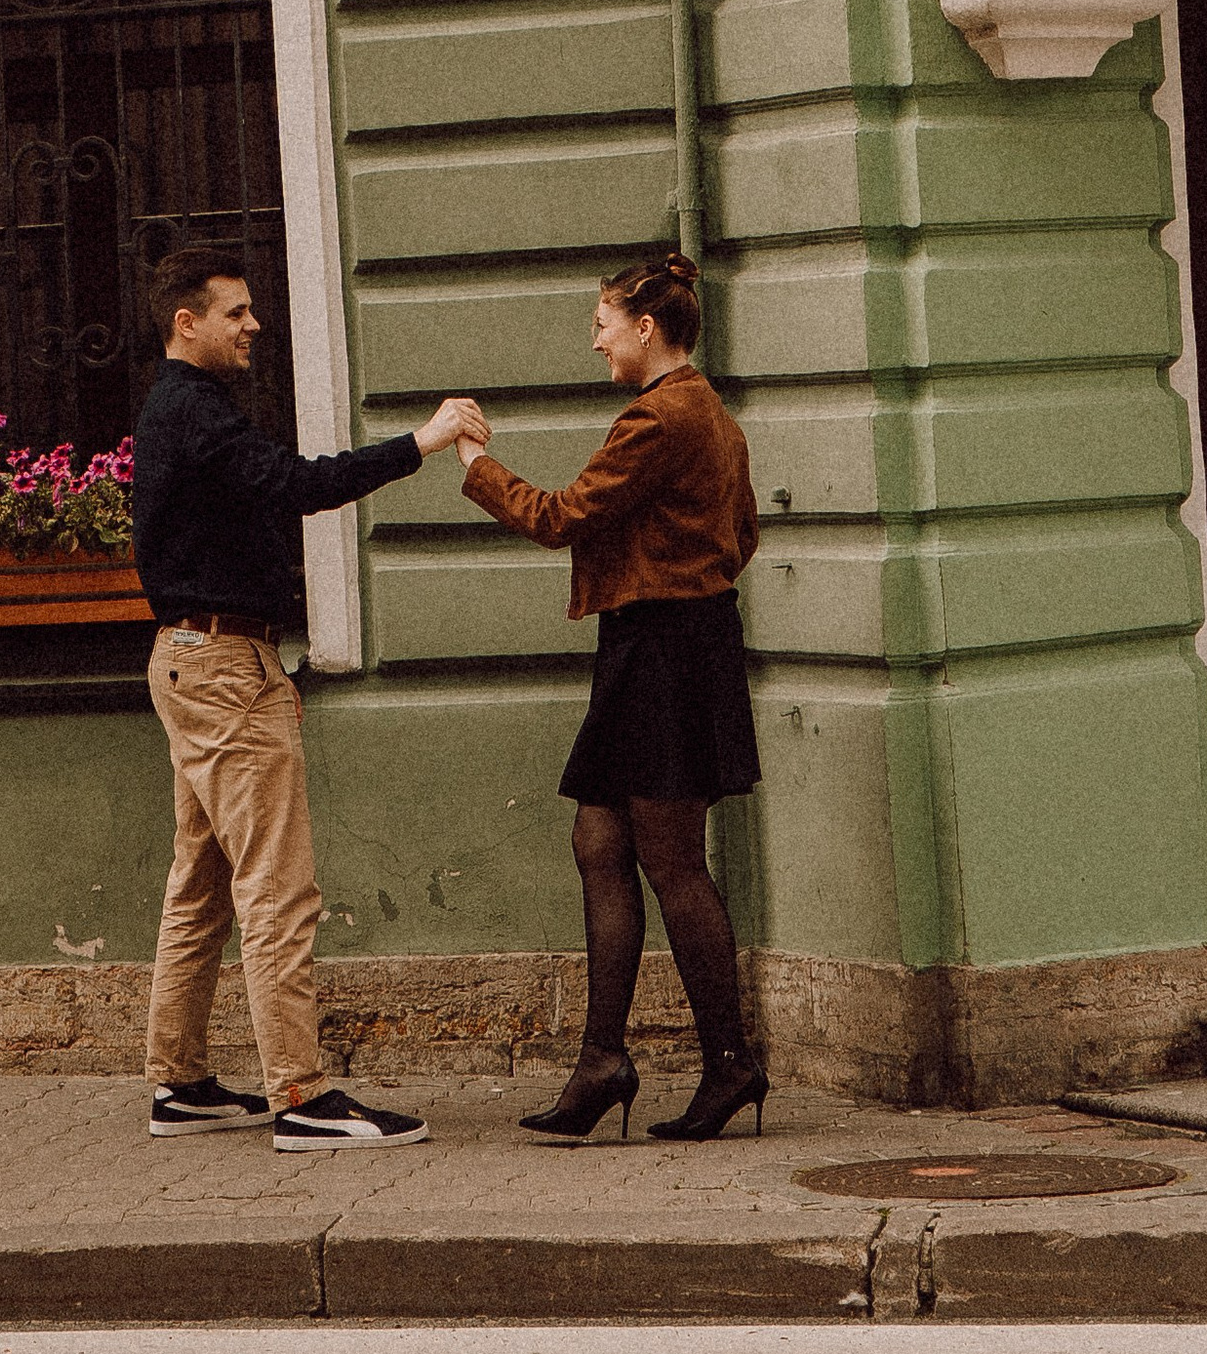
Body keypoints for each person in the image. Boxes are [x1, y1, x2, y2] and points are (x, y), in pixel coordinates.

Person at [132, 249, 478, 1153]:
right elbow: (298, 486)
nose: (253, 325)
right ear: (187, 323)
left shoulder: (182, 409)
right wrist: (423, 443)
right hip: (223, 669)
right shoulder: (194, 413)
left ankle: (179, 1083)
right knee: (277, 890)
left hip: (190, 659)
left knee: (202, 881)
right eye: (236, 312)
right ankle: (302, 1096)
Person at [450, 253, 765, 1144]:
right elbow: (742, 533)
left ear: (644, 328)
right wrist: (682, 577)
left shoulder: (661, 418)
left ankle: (732, 1063)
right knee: (598, 838)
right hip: (661, 642)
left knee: (671, 859)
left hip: (665, 648)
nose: (595, 340)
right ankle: (602, 1061)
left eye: (601, 323)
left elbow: (558, 518)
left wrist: (477, 461)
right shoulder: (708, 412)